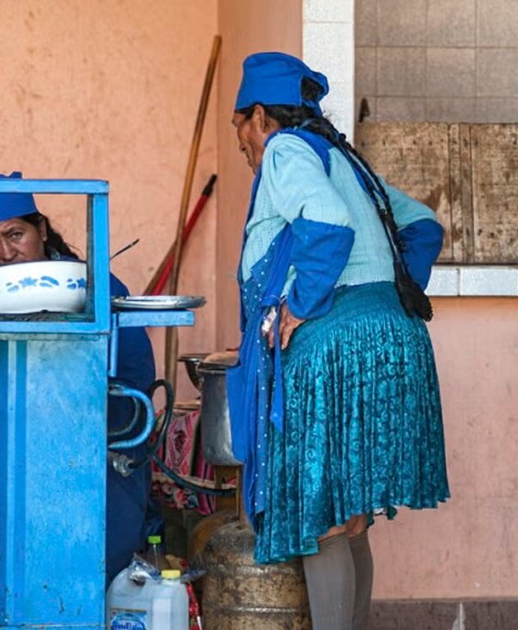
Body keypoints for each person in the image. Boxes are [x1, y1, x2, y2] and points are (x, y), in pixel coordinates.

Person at [228, 53, 449, 630]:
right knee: (350, 516)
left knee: (322, 515)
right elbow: (424, 225)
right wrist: (385, 297)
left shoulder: (285, 149)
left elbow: (326, 225)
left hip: (333, 348)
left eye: (239, 130)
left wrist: (303, 307)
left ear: (259, 116)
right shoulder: (345, 161)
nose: (242, 146)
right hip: (391, 341)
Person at [0, 172, 158, 581]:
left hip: (99, 446)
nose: (6, 253)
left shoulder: (83, 279)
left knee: (94, 566)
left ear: (42, 230)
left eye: (16, 234)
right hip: (17, 455)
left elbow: (136, 363)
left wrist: (106, 419)